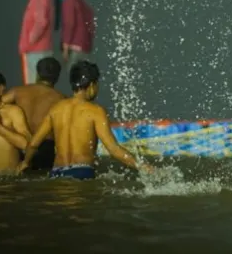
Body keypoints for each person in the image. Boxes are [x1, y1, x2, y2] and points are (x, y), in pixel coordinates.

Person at [18, 60, 149, 179]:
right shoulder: (96, 111)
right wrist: (142, 166)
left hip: (56, 172)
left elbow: (34, 143)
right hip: (81, 172)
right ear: (92, 85)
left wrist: (25, 163)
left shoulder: (56, 109)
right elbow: (113, 149)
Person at [0, 57, 65, 171]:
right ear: (57, 77)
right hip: (45, 148)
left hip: (20, 145)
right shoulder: (60, 99)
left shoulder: (17, 92)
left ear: (37, 74)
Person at [19, 0, 54, 85]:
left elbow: (41, 22)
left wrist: (30, 41)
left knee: (34, 84)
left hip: (36, 50)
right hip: (36, 49)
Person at [54, 0, 95, 70]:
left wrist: (65, 48)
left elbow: (69, 24)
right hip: (85, 47)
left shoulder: (69, 1)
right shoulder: (84, 5)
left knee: (74, 77)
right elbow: (91, 28)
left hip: (73, 46)